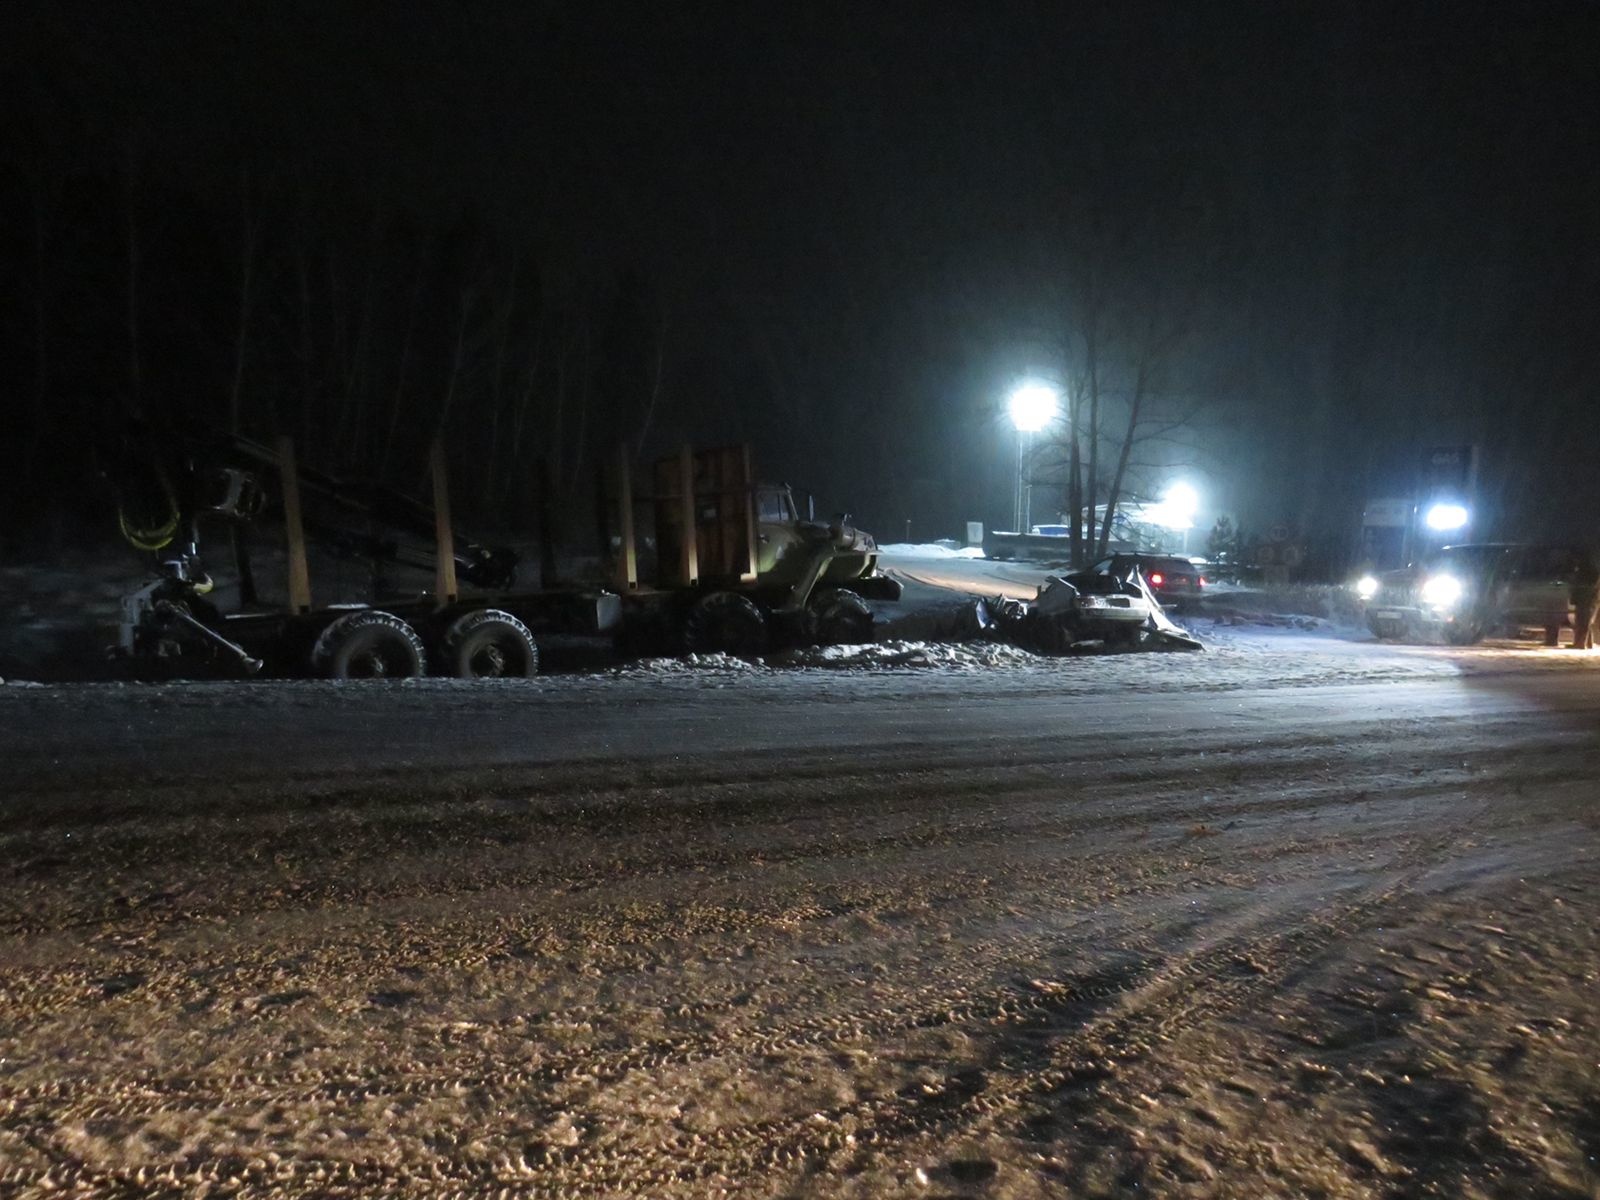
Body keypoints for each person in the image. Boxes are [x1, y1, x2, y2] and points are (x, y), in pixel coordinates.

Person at [1570, 551, 1599, 650]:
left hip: (1585, 598)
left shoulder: (1581, 572)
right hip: (1591, 599)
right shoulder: (1593, 571)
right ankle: (1587, 643)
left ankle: (1580, 643)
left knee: (1582, 621)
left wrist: (1574, 598)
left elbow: (1577, 586)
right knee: (1587, 621)